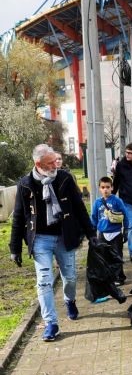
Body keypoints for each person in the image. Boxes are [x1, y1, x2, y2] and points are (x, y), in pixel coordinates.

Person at [9, 145, 96, 340]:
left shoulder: (64, 178)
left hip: (65, 236)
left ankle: (69, 300)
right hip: (39, 239)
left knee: (70, 277)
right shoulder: (25, 184)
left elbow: (79, 207)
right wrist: (15, 248)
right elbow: (19, 218)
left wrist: (91, 233)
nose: (55, 165)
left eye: (56, 161)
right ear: (38, 164)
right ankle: (51, 323)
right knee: (44, 281)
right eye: (50, 163)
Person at [90, 176, 127, 284]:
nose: (105, 189)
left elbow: (125, 215)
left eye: (107, 187)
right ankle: (108, 277)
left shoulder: (117, 201)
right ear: (99, 188)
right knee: (104, 257)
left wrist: (126, 230)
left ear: (112, 188)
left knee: (117, 256)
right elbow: (93, 218)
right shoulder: (97, 203)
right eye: (103, 187)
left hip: (116, 233)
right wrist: (92, 232)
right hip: (102, 233)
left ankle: (119, 277)